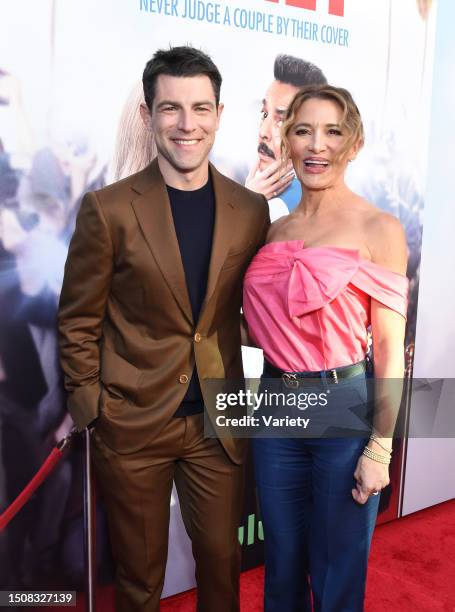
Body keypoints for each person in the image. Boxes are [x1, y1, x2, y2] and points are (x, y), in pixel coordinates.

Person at [57, 46, 269, 612]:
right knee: (139, 581)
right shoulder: (108, 210)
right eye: (170, 108)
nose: (187, 123)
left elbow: (246, 312)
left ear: (220, 115)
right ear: (149, 116)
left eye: (200, 107)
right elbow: (78, 318)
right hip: (132, 426)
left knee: (223, 570)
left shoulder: (251, 210)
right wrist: (92, 408)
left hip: (216, 425)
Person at [243, 84, 409, 611]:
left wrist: (380, 447)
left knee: (338, 568)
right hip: (275, 406)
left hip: (344, 406)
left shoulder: (378, 228)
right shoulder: (272, 230)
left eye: (333, 131)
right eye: (303, 130)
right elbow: (253, 329)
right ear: (287, 141)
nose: (317, 145)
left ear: (353, 143)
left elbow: (387, 348)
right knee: (283, 564)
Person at [245, 54, 327, 218]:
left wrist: (247, 202)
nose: (263, 133)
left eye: (281, 121)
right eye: (264, 114)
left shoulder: (279, 208)